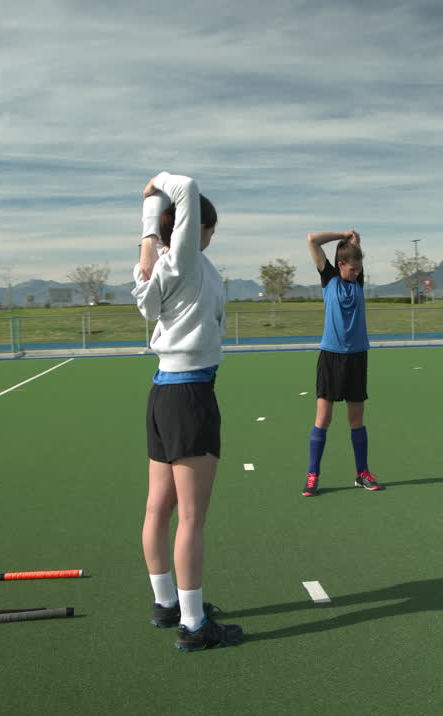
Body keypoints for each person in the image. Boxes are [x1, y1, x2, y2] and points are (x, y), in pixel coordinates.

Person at [132, 171, 243, 650]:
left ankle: (166, 604)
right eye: (207, 230)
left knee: (160, 507)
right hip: (191, 397)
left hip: (163, 394)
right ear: (196, 228)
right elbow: (188, 186)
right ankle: (194, 626)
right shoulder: (184, 263)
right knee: (191, 517)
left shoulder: (156, 266)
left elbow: (147, 269)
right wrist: (159, 184)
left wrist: (149, 215)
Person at [302, 230, 383, 497]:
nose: (358, 273)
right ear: (340, 265)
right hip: (331, 357)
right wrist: (342, 234)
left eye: (360, 269)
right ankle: (313, 475)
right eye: (353, 269)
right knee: (323, 418)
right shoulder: (329, 279)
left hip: (358, 356)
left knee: (356, 419)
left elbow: (356, 254)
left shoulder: (357, 283)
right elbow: (312, 239)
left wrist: (355, 242)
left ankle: (362, 473)